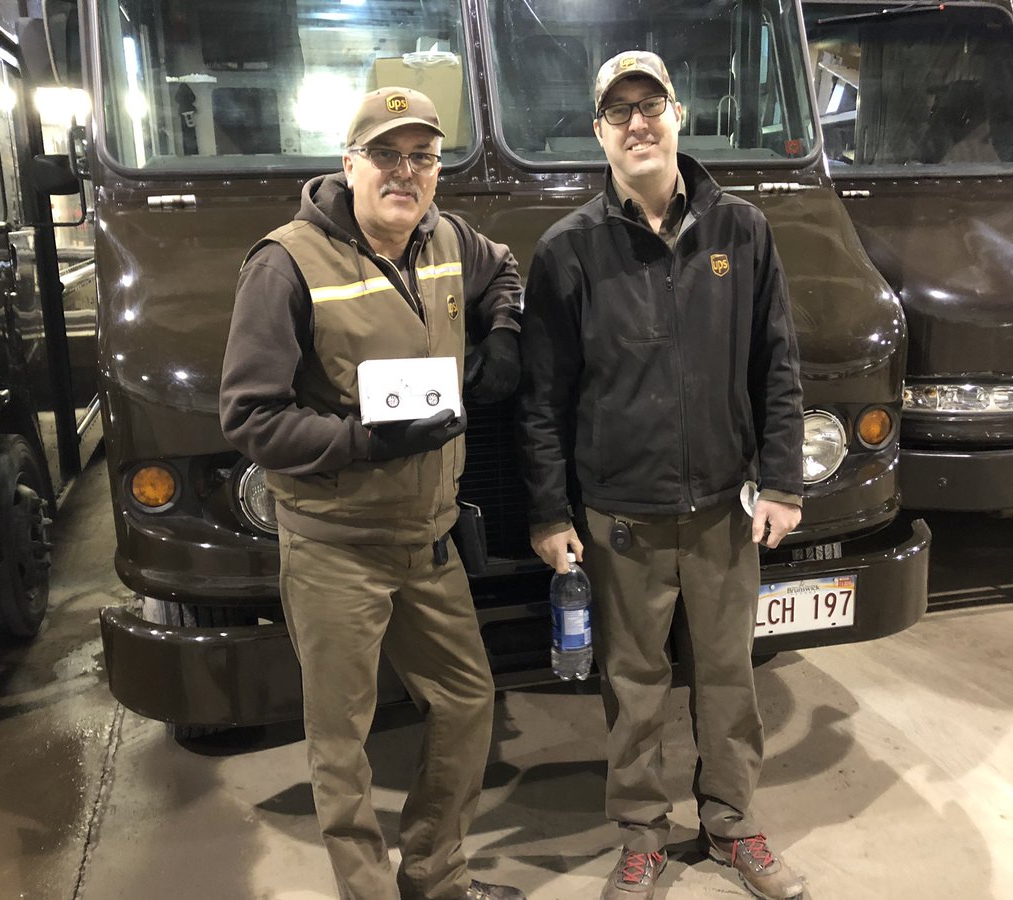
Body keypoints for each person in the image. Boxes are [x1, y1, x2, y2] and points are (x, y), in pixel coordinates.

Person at [219, 86, 524, 900]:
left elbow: (504, 269)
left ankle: (436, 876)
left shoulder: (449, 238)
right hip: (335, 548)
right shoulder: (284, 263)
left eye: (422, 157)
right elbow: (249, 418)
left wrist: (503, 332)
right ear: (348, 164)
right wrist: (363, 442)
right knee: (342, 744)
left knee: (467, 701)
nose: (405, 172)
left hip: (429, 541)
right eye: (385, 155)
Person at [517, 52, 807, 900]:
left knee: (729, 680)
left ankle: (731, 825)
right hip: (620, 520)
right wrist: (549, 513)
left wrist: (782, 483)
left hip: (723, 510)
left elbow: (777, 365)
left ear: (679, 114)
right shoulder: (567, 250)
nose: (638, 123)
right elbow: (542, 400)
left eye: (652, 105)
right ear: (599, 131)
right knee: (634, 689)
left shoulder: (741, 230)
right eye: (620, 111)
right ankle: (642, 835)